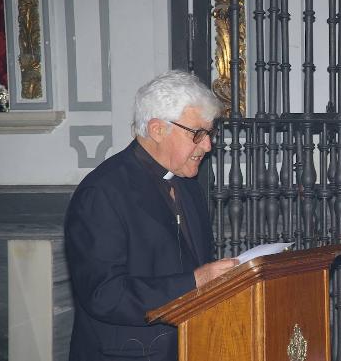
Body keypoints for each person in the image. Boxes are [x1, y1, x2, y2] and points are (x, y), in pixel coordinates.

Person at [64, 70, 238, 361]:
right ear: (157, 130)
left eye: (209, 133)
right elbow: (103, 294)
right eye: (197, 133)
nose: (207, 146)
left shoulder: (187, 183)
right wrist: (194, 282)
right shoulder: (102, 193)